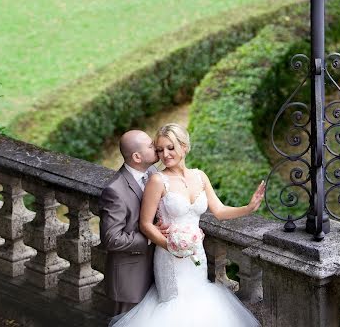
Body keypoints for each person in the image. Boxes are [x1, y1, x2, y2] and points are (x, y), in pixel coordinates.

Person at [111, 123, 265, 327]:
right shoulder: (157, 180)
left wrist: (248, 207)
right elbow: (145, 225)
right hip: (169, 259)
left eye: (170, 147)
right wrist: (171, 246)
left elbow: (219, 211)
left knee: (199, 305)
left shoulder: (200, 176)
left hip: (196, 255)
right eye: (159, 150)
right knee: (175, 309)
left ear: (184, 147)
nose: (165, 154)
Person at [98, 129, 160, 318]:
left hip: (156, 270)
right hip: (129, 278)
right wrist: (150, 237)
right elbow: (111, 239)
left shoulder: (152, 172)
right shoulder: (115, 190)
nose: (156, 146)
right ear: (137, 157)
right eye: (150, 145)